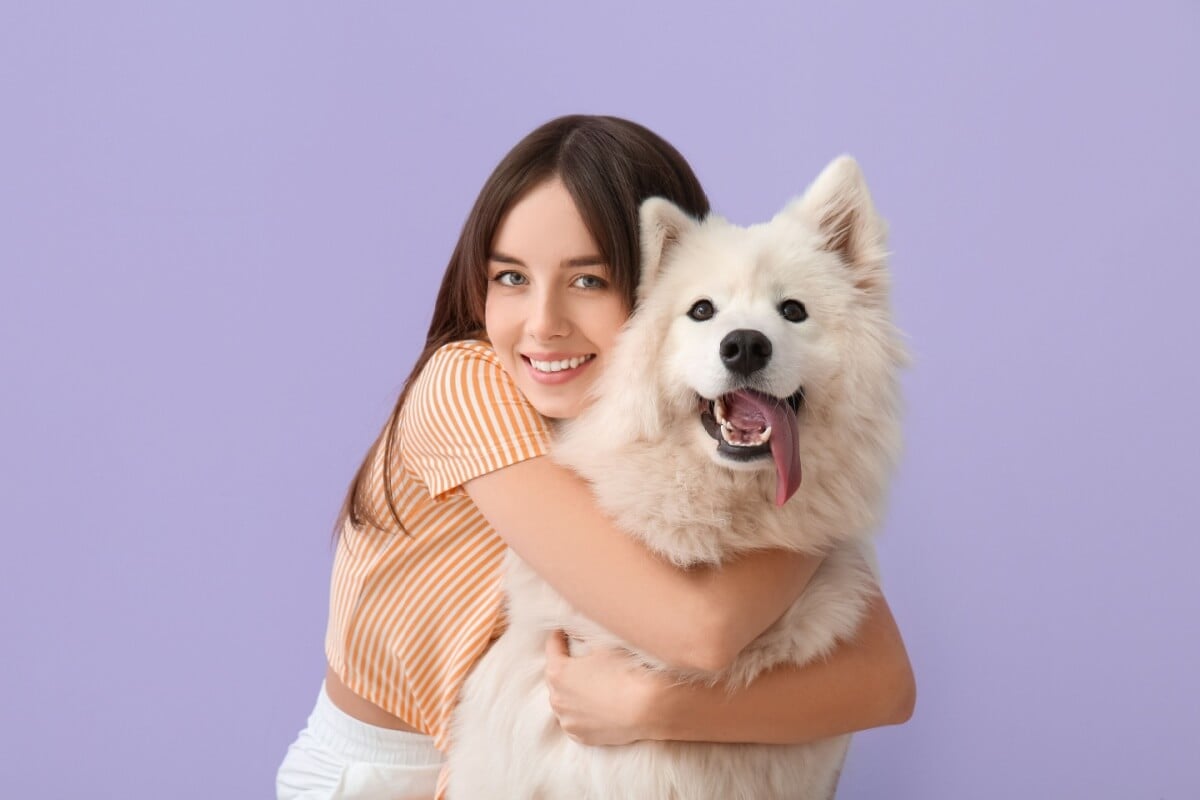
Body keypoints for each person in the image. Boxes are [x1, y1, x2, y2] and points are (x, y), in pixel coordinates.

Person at [276, 114, 915, 800]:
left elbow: (881, 682)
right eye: (511, 278)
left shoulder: (671, 424)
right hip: (379, 777)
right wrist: (824, 494)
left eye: (586, 281)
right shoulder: (465, 386)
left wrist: (657, 708)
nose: (545, 322)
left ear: (646, 289)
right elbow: (698, 633)